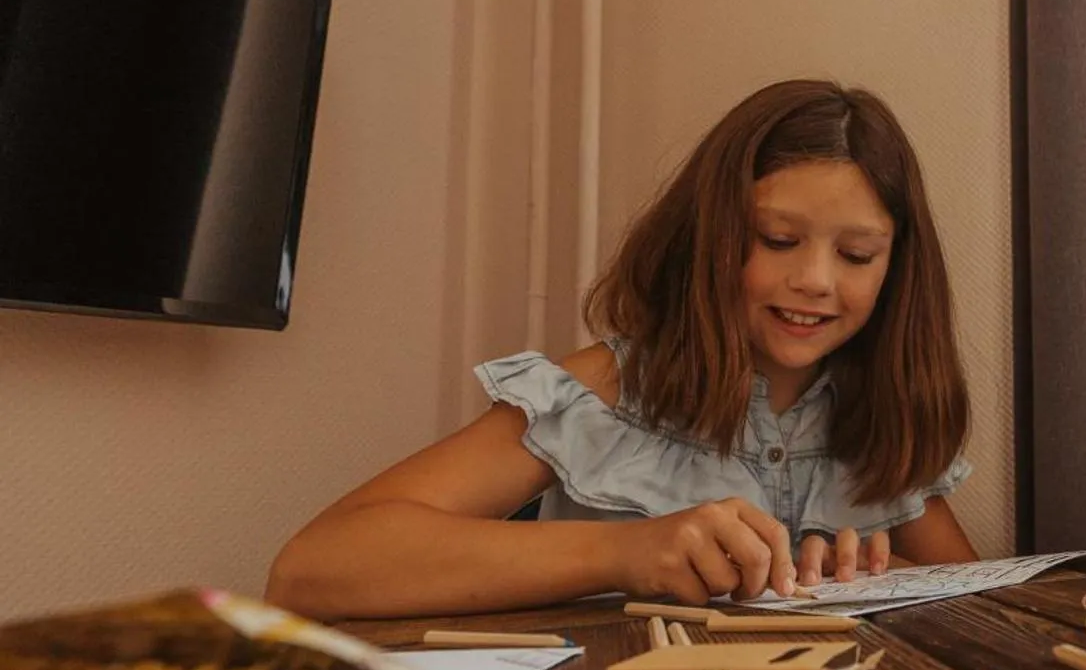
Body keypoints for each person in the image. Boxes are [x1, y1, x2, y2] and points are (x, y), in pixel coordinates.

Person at [269, 79, 976, 619]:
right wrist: (625, 551)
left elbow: (987, 603)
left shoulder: (882, 423)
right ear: (712, 235)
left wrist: (892, 578)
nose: (816, 281)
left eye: (856, 254)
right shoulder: (601, 390)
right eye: (777, 241)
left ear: (896, 269)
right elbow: (313, 567)